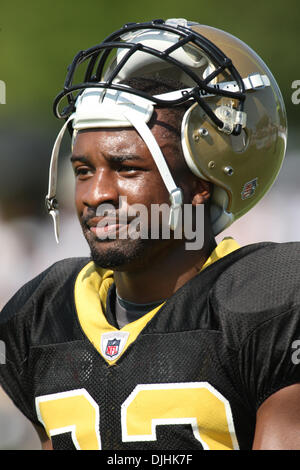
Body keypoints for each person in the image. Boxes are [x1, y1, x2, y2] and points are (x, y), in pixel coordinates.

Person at [0, 18, 299, 451]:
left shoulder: (267, 303)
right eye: (84, 170)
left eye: (126, 168)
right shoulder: (45, 312)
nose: (96, 194)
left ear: (200, 183)